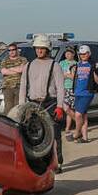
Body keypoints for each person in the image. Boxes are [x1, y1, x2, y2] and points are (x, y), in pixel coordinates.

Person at [19, 34, 67, 172]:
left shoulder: (55, 66)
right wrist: (22, 106)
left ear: (47, 49)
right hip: (33, 105)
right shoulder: (28, 66)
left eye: (42, 48)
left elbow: (60, 87)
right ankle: (40, 164)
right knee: (36, 137)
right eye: (37, 48)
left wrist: (59, 106)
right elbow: (23, 87)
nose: (39, 50)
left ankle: (58, 162)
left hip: (50, 104)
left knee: (55, 135)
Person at [72, 45, 98, 143]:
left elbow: (97, 82)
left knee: (77, 114)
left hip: (87, 93)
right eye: (81, 54)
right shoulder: (78, 65)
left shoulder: (92, 65)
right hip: (77, 92)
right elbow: (74, 78)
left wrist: (93, 71)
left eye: (84, 54)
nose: (83, 55)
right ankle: (85, 138)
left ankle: (76, 133)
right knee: (83, 115)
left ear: (89, 54)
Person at [0, 43, 26, 113]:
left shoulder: (23, 59)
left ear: (17, 50)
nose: (11, 51)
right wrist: (17, 70)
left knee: (18, 108)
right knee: (8, 108)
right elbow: (3, 72)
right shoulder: (4, 61)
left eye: (13, 49)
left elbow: (22, 69)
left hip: (19, 86)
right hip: (7, 87)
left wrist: (10, 68)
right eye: (9, 50)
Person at [60, 47, 78, 140]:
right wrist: (66, 75)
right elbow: (59, 75)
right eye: (66, 53)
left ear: (73, 54)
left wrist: (66, 75)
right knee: (66, 109)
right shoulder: (61, 63)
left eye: (70, 53)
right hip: (63, 88)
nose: (68, 54)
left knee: (70, 109)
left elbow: (74, 77)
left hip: (72, 88)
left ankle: (70, 127)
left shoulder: (75, 64)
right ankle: (78, 123)